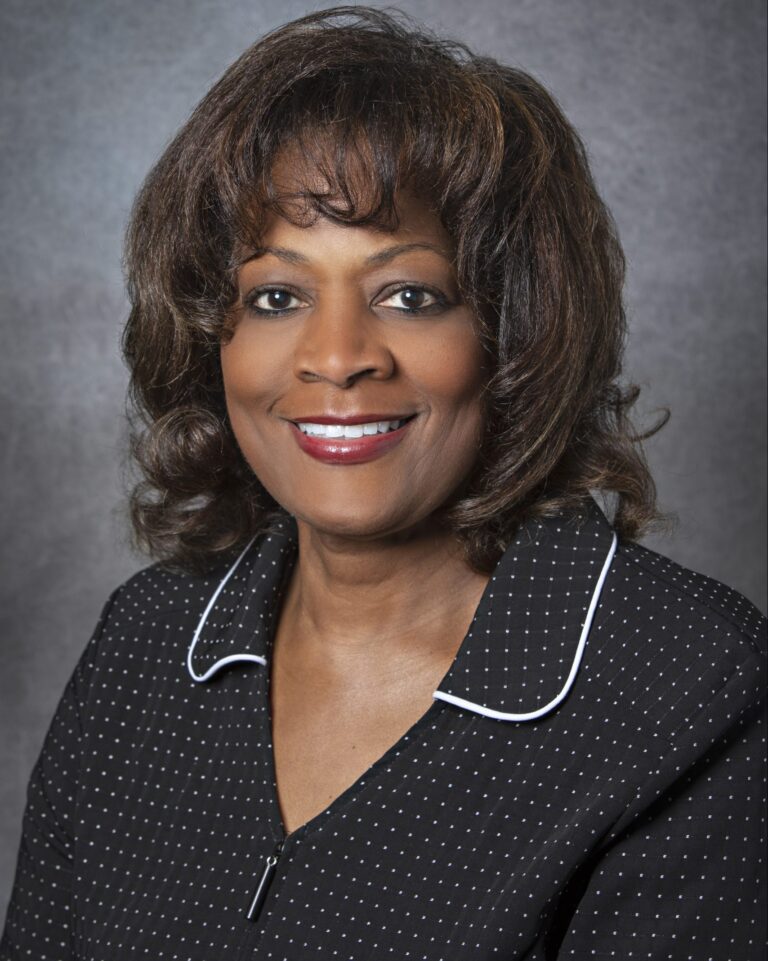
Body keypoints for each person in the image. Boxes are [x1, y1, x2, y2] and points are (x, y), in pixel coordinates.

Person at [1, 6, 765, 959]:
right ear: (211, 336)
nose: (336, 357)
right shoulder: (145, 640)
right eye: (276, 297)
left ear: (514, 332)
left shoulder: (687, 685)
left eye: (411, 295)